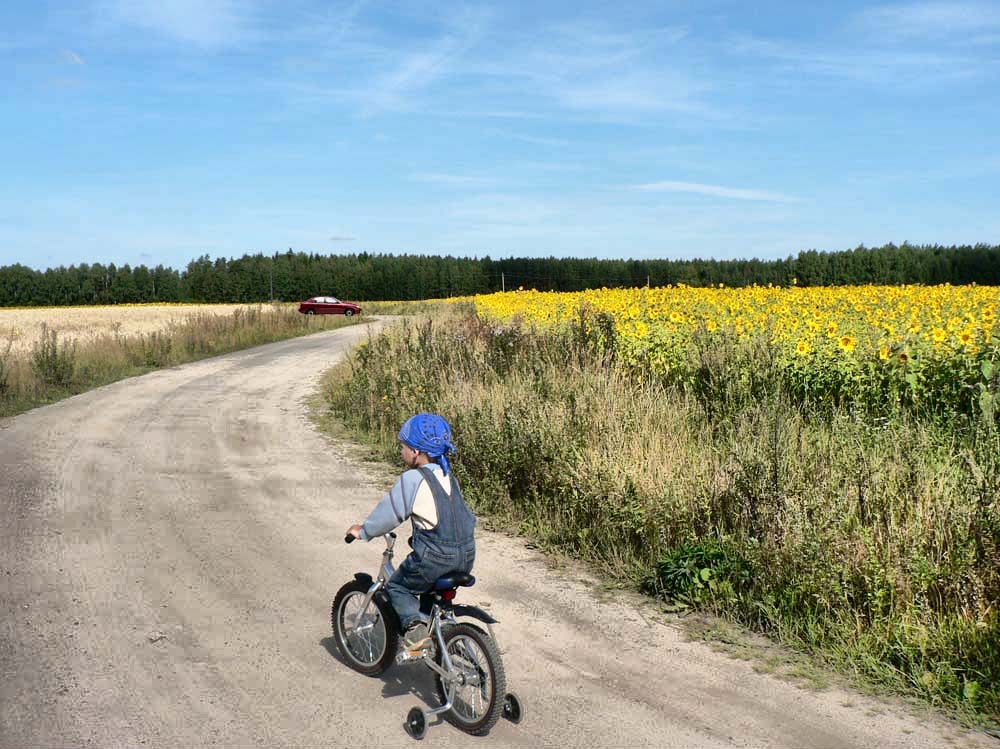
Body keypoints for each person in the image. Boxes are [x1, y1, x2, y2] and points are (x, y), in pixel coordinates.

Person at [346, 413, 476, 653]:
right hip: (466, 555)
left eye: (403, 446)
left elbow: (390, 514)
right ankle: (439, 634)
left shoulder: (413, 479)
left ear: (416, 451)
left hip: (436, 559)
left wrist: (364, 531)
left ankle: (415, 629)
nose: (400, 451)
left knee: (398, 587)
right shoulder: (448, 476)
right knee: (430, 590)